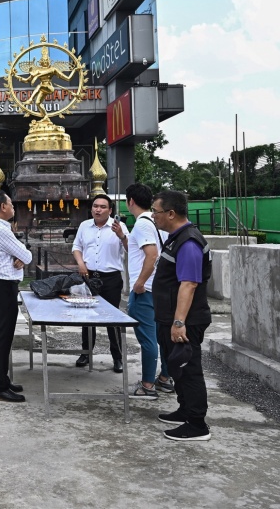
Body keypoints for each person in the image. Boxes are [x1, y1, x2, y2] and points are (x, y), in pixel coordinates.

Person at [151, 190, 213, 441]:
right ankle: (185, 409)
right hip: (169, 317)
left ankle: (197, 424)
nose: (153, 216)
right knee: (177, 367)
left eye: (156, 212)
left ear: (171, 213)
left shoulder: (188, 242)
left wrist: (178, 323)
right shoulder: (176, 238)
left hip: (186, 321)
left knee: (189, 370)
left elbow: (189, 284)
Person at [120, 183, 170, 400]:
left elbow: (151, 255)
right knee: (163, 336)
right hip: (161, 289)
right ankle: (166, 379)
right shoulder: (157, 221)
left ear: (130, 201)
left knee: (148, 339)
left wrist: (139, 283)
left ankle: (148, 384)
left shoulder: (141, 224)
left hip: (146, 290)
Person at [0, 190, 32, 403]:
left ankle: (3, 379)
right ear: (3, 206)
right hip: (2, 286)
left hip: (1, 284)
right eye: (10, 203)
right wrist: (21, 255)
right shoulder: (0, 230)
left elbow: (21, 254)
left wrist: (18, 255)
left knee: (4, 335)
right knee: (2, 336)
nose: (12, 207)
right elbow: (27, 255)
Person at [72, 194, 128, 372]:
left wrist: (121, 236)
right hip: (89, 277)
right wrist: (81, 263)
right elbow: (76, 247)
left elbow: (130, 249)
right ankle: (86, 353)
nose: (98, 209)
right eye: (95, 206)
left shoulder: (119, 227)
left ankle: (117, 357)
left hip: (111, 278)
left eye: (103, 207)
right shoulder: (84, 226)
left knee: (112, 318)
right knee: (87, 317)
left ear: (110, 210)